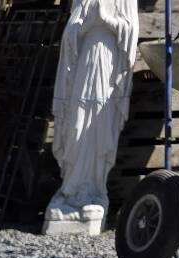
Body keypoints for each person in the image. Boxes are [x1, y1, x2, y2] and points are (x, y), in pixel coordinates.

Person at [46, 0, 138, 231]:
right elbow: (70, 32)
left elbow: (131, 30)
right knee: (76, 124)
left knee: (100, 126)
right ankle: (70, 189)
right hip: (83, 65)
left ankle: (95, 190)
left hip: (108, 65)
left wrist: (108, 21)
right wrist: (85, 26)